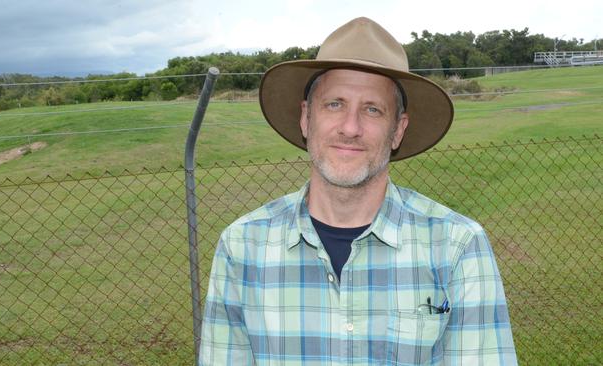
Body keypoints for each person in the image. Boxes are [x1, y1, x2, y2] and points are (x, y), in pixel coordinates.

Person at [199, 17, 517, 365]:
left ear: (398, 130)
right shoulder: (242, 248)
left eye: (372, 109)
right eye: (335, 104)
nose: (350, 128)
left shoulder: (457, 247)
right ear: (306, 118)